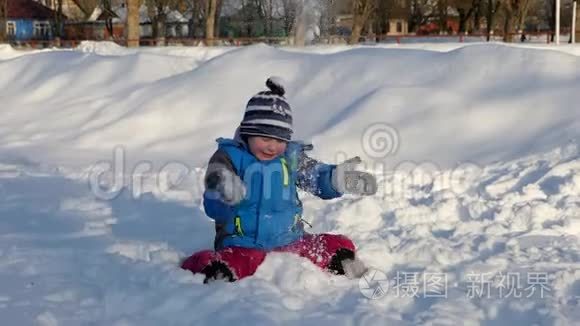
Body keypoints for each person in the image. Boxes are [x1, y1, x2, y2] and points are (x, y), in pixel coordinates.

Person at [181, 77, 377, 283]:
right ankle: (215, 270)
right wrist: (224, 191)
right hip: (243, 242)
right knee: (239, 261)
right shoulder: (230, 157)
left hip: (289, 239)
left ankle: (341, 261)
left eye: (280, 140)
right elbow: (213, 194)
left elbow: (314, 175)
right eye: (265, 139)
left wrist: (335, 179)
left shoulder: (290, 158)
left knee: (328, 245)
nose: (272, 147)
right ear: (248, 133)